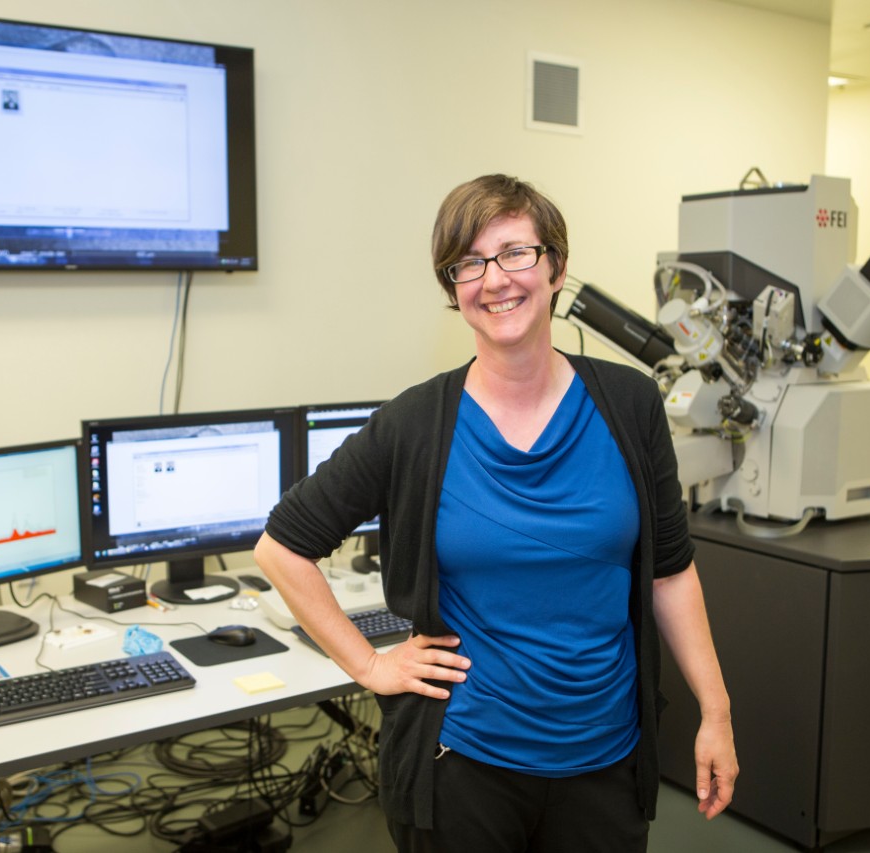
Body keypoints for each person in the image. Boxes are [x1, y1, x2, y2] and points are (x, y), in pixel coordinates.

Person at [254, 174, 737, 851]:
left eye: (515, 252)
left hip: (606, 759)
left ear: (556, 268)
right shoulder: (416, 423)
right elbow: (282, 547)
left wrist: (716, 710)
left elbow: (670, 572)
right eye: (470, 263)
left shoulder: (630, 404)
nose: (494, 279)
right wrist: (370, 667)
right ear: (453, 287)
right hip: (464, 765)